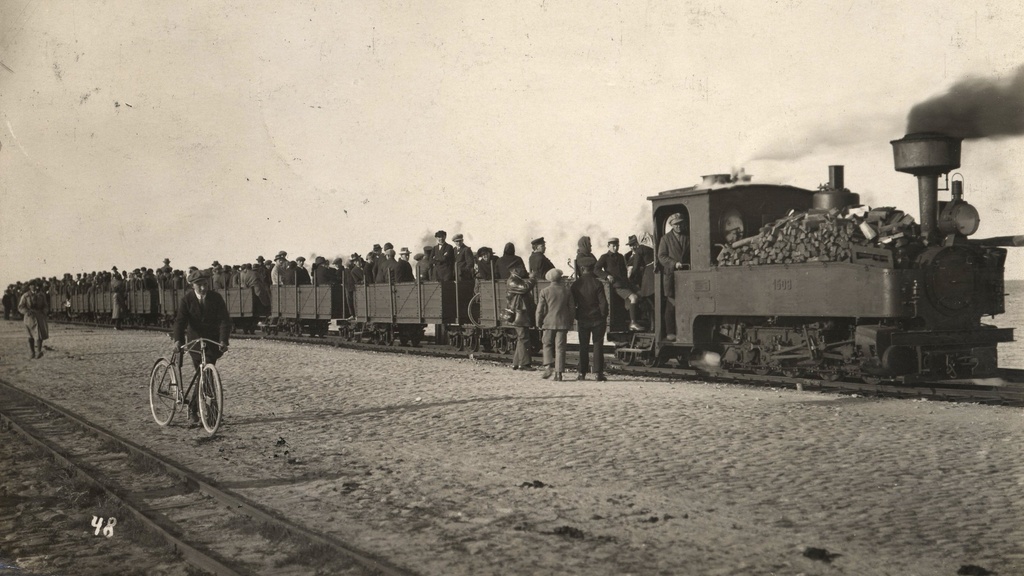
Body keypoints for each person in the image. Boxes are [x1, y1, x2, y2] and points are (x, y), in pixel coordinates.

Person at [173, 269, 231, 425]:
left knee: (205, 374)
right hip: (195, 343)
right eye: (200, 285)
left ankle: (196, 409)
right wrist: (178, 340)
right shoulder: (187, 300)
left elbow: (224, 320)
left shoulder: (216, 298)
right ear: (193, 286)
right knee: (204, 374)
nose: (204, 288)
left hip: (211, 342)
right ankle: (210, 413)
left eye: (205, 284)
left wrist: (223, 340)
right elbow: (180, 322)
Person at [572, 255, 609, 381]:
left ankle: (582, 373)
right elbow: (603, 303)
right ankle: (598, 374)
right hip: (597, 319)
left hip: (583, 319)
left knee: (583, 346)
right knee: (598, 345)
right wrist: (603, 316)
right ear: (592, 269)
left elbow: (573, 304)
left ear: (582, 268)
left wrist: (577, 316)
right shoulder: (597, 283)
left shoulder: (576, 284)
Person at [596, 238, 643, 331]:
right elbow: (596, 269)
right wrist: (607, 276)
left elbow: (624, 272)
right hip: (616, 286)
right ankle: (633, 323)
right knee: (634, 298)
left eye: (617, 246)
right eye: (613, 246)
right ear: (608, 246)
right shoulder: (604, 257)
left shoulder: (621, 256)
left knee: (642, 294)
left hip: (625, 284)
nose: (615, 248)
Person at [536, 268, 574, 381]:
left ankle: (548, 367)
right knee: (560, 347)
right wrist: (570, 321)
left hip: (548, 323)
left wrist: (538, 322)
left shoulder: (544, 291)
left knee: (547, 344)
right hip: (562, 323)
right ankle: (559, 373)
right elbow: (572, 309)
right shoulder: (567, 291)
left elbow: (540, 310)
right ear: (560, 278)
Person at [657, 213, 690, 340]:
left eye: (680, 223)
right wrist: (674, 264)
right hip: (671, 276)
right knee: (671, 303)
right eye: (676, 224)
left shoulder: (687, 237)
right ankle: (670, 332)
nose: (678, 226)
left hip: (686, 275)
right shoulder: (665, 239)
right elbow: (661, 256)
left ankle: (683, 331)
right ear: (671, 225)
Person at [505, 265, 537, 371]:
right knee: (523, 338)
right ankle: (524, 364)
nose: (524, 271)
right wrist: (532, 278)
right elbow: (525, 288)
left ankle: (516, 363)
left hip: (520, 314)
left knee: (521, 338)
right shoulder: (513, 281)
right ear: (515, 270)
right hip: (519, 315)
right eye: (521, 269)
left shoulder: (515, 280)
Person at [19, 280, 49, 359]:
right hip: (29, 318)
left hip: (39, 317)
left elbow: (45, 305)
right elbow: (21, 306)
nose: (34, 287)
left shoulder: (41, 295)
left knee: (39, 334)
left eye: (35, 285)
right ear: (29, 287)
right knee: (30, 335)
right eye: (32, 285)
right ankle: (32, 352)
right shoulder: (25, 296)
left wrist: (44, 312)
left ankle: (39, 351)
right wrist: (26, 311)